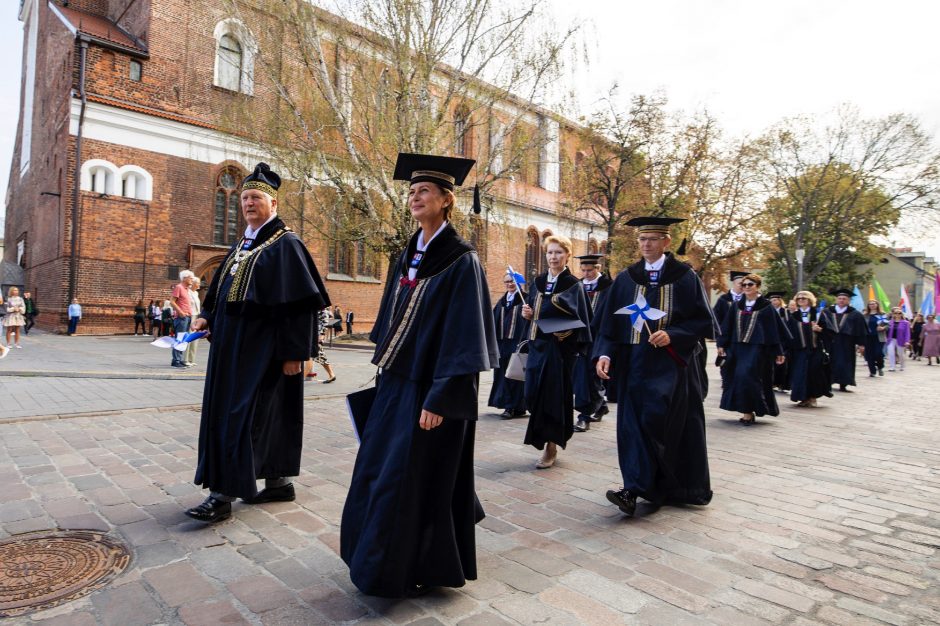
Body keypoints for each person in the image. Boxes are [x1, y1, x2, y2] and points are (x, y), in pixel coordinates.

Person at [341, 153, 498, 597]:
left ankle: (401, 567)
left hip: (430, 393)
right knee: (378, 471)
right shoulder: (407, 256)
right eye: (410, 192)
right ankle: (372, 559)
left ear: (446, 200)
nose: (414, 197)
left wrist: (442, 397)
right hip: (395, 385)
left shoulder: (460, 261)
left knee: (407, 479)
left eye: (423, 191)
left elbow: (464, 338)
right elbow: (392, 322)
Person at [185, 162, 329, 524]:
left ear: (273, 204)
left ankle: (222, 495)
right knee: (265, 414)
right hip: (232, 350)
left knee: (246, 417)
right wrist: (207, 315)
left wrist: (296, 354)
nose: (249, 203)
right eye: (245, 197)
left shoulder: (287, 245)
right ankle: (278, 482)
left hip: (266, 351)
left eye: (256, 198)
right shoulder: (241, 245)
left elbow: (301, 306)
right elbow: (220, 291)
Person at [594, 216, 715, 517]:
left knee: (664, 425)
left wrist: (672, 334)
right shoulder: (626, 279)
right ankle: (633, 489)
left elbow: (701, 321)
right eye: (642, 239)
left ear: (666, 242)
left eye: (652, 239)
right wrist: (605, 354)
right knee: (634, 426)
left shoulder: (685, 277)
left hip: (672, 367)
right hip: (635, 365)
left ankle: (670, 487)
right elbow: (609, 324)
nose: (646, 244)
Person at [520, 235, 592, 469]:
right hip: (537, 346)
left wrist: (564, 330)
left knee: (553, 398)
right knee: (532, 394)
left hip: (559, 350)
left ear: (567, 255)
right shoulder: (538, 281)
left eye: (558, 252)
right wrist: (527, 314)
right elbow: (533, 310)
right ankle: (542, 437)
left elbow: (582, 318)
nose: (553, 257)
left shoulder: (573, 284)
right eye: (550, 252)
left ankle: (551, 446)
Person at [716, 275, 788, 424]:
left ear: (757, 286)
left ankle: (750, 410)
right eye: (744, 285)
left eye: (750, 284)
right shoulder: (736, 305)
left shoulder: (766, 306)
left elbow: (774, 330)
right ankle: (746, 411)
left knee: (748, 377)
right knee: (738, 378)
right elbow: (727, 326)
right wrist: (721, 344)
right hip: (737, 348)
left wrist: (779, 351)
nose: (747, 287)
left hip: (757, 349)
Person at [572, 253, 613, 432]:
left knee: (592, 376)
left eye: (590, 270)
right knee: (584, 377)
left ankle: (584, 416)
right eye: (584, 270)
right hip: (581, 338)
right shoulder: (577, 286)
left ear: (598, 268)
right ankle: (600, 406)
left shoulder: (609, 288)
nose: (586, 273)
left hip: (600, 337)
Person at [487, 272, 528, 419]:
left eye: (512, 281)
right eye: (507, 282)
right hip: (502, 343)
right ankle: (506, 403)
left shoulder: (525, 299)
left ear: (519, 283)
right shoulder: (502, 301)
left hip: (517, 343)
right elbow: (493, 318)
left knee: (515, 374)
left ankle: (513, 407)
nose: (510, 284)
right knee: (502, 374)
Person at [787, 290, 833, 407]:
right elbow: (789, 333)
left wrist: (820, 330)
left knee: (813, 373)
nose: (801, 300)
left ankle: (813, 397)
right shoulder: (794, 316)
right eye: (799, 298)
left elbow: (830, 332)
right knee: (800, 373)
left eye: (804, 298)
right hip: (800, 350)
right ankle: (804, 397)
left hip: (814, 349)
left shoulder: (818, 314)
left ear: (810, 300)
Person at [820, 288, 866, 392]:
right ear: (836, 299)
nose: (841, 300)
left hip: (847, 343)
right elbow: (821, 326)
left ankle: (843, 383)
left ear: (849, 301)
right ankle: (829, 381)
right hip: (830, 341)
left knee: (845, 362)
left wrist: (861, 344)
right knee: (830, 361)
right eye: (839, 298)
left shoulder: (856, 314)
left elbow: (860, 330)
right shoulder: (827, 312)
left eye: (844, 299)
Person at [712, 270, 748, 387]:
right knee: (727, 362)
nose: (743, 287)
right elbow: (716, 318)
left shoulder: (748, 301)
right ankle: (728, 383)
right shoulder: (724, 300)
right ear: (733, 283)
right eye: (740, 284)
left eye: (745, 284)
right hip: (726, 337)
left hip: (744, 338)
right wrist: (719, 338)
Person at [170, 270, 195, 367]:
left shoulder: (186, 289)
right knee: (179, 339)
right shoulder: (179, 287)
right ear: (184, 278)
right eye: (190, 278)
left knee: (183, 339)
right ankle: (175, 360)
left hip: (187, 317)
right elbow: (172, 301)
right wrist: (180, 312)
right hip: (182, 317)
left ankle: (179, 359)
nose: (192, 280)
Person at [767, 291, 791, 391]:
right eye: (772, 300)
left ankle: (781, 383)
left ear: (780, 301)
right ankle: (771, 382)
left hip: (783, 340)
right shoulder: (767, 311)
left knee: (782, 363)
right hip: (771, 339)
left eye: (776, 300)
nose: (774, 302)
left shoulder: (785, 312)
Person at [305, 308, 337, 383]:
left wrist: (322, 335)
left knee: (311, 356)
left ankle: (301, 378)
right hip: (312, 335)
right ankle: (332, 375)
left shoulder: (323, 310)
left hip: (317, 336)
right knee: (321, 356)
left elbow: (325, 323)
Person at [862, 300, 886, 377]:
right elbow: (861, 325)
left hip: (879, 337)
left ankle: (880, 367)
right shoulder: (865, 315)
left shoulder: (882, 314)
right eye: (870, 304)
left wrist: (883, 327)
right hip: (868, 337)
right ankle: (872, 371)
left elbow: (889, 325)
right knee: (869, 355)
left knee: (878, 353)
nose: (872, 305)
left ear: (877, 305)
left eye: (873, 304)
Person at [885, 308, 911, 372]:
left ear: (902, 314)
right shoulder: (890, 322)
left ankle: (902, 365)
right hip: (891, 339)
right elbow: (886, 331)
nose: (897, 314)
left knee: (900, 354)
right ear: (893, 314)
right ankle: (892, 367)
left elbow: (907, 332)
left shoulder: (906, 322)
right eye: (896, 313)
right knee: (891, 353)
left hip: (901, 340)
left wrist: (907, 341)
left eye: (899, 313)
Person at [183, 278, 202, 367]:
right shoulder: (188, 292)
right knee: (189, 337)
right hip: (190, 316)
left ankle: (191, 359)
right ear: (193, 283)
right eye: (198, 283)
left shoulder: (196, 293)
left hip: (197, 315)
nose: (199, 285)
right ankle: (185, 359)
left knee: (195, 338)